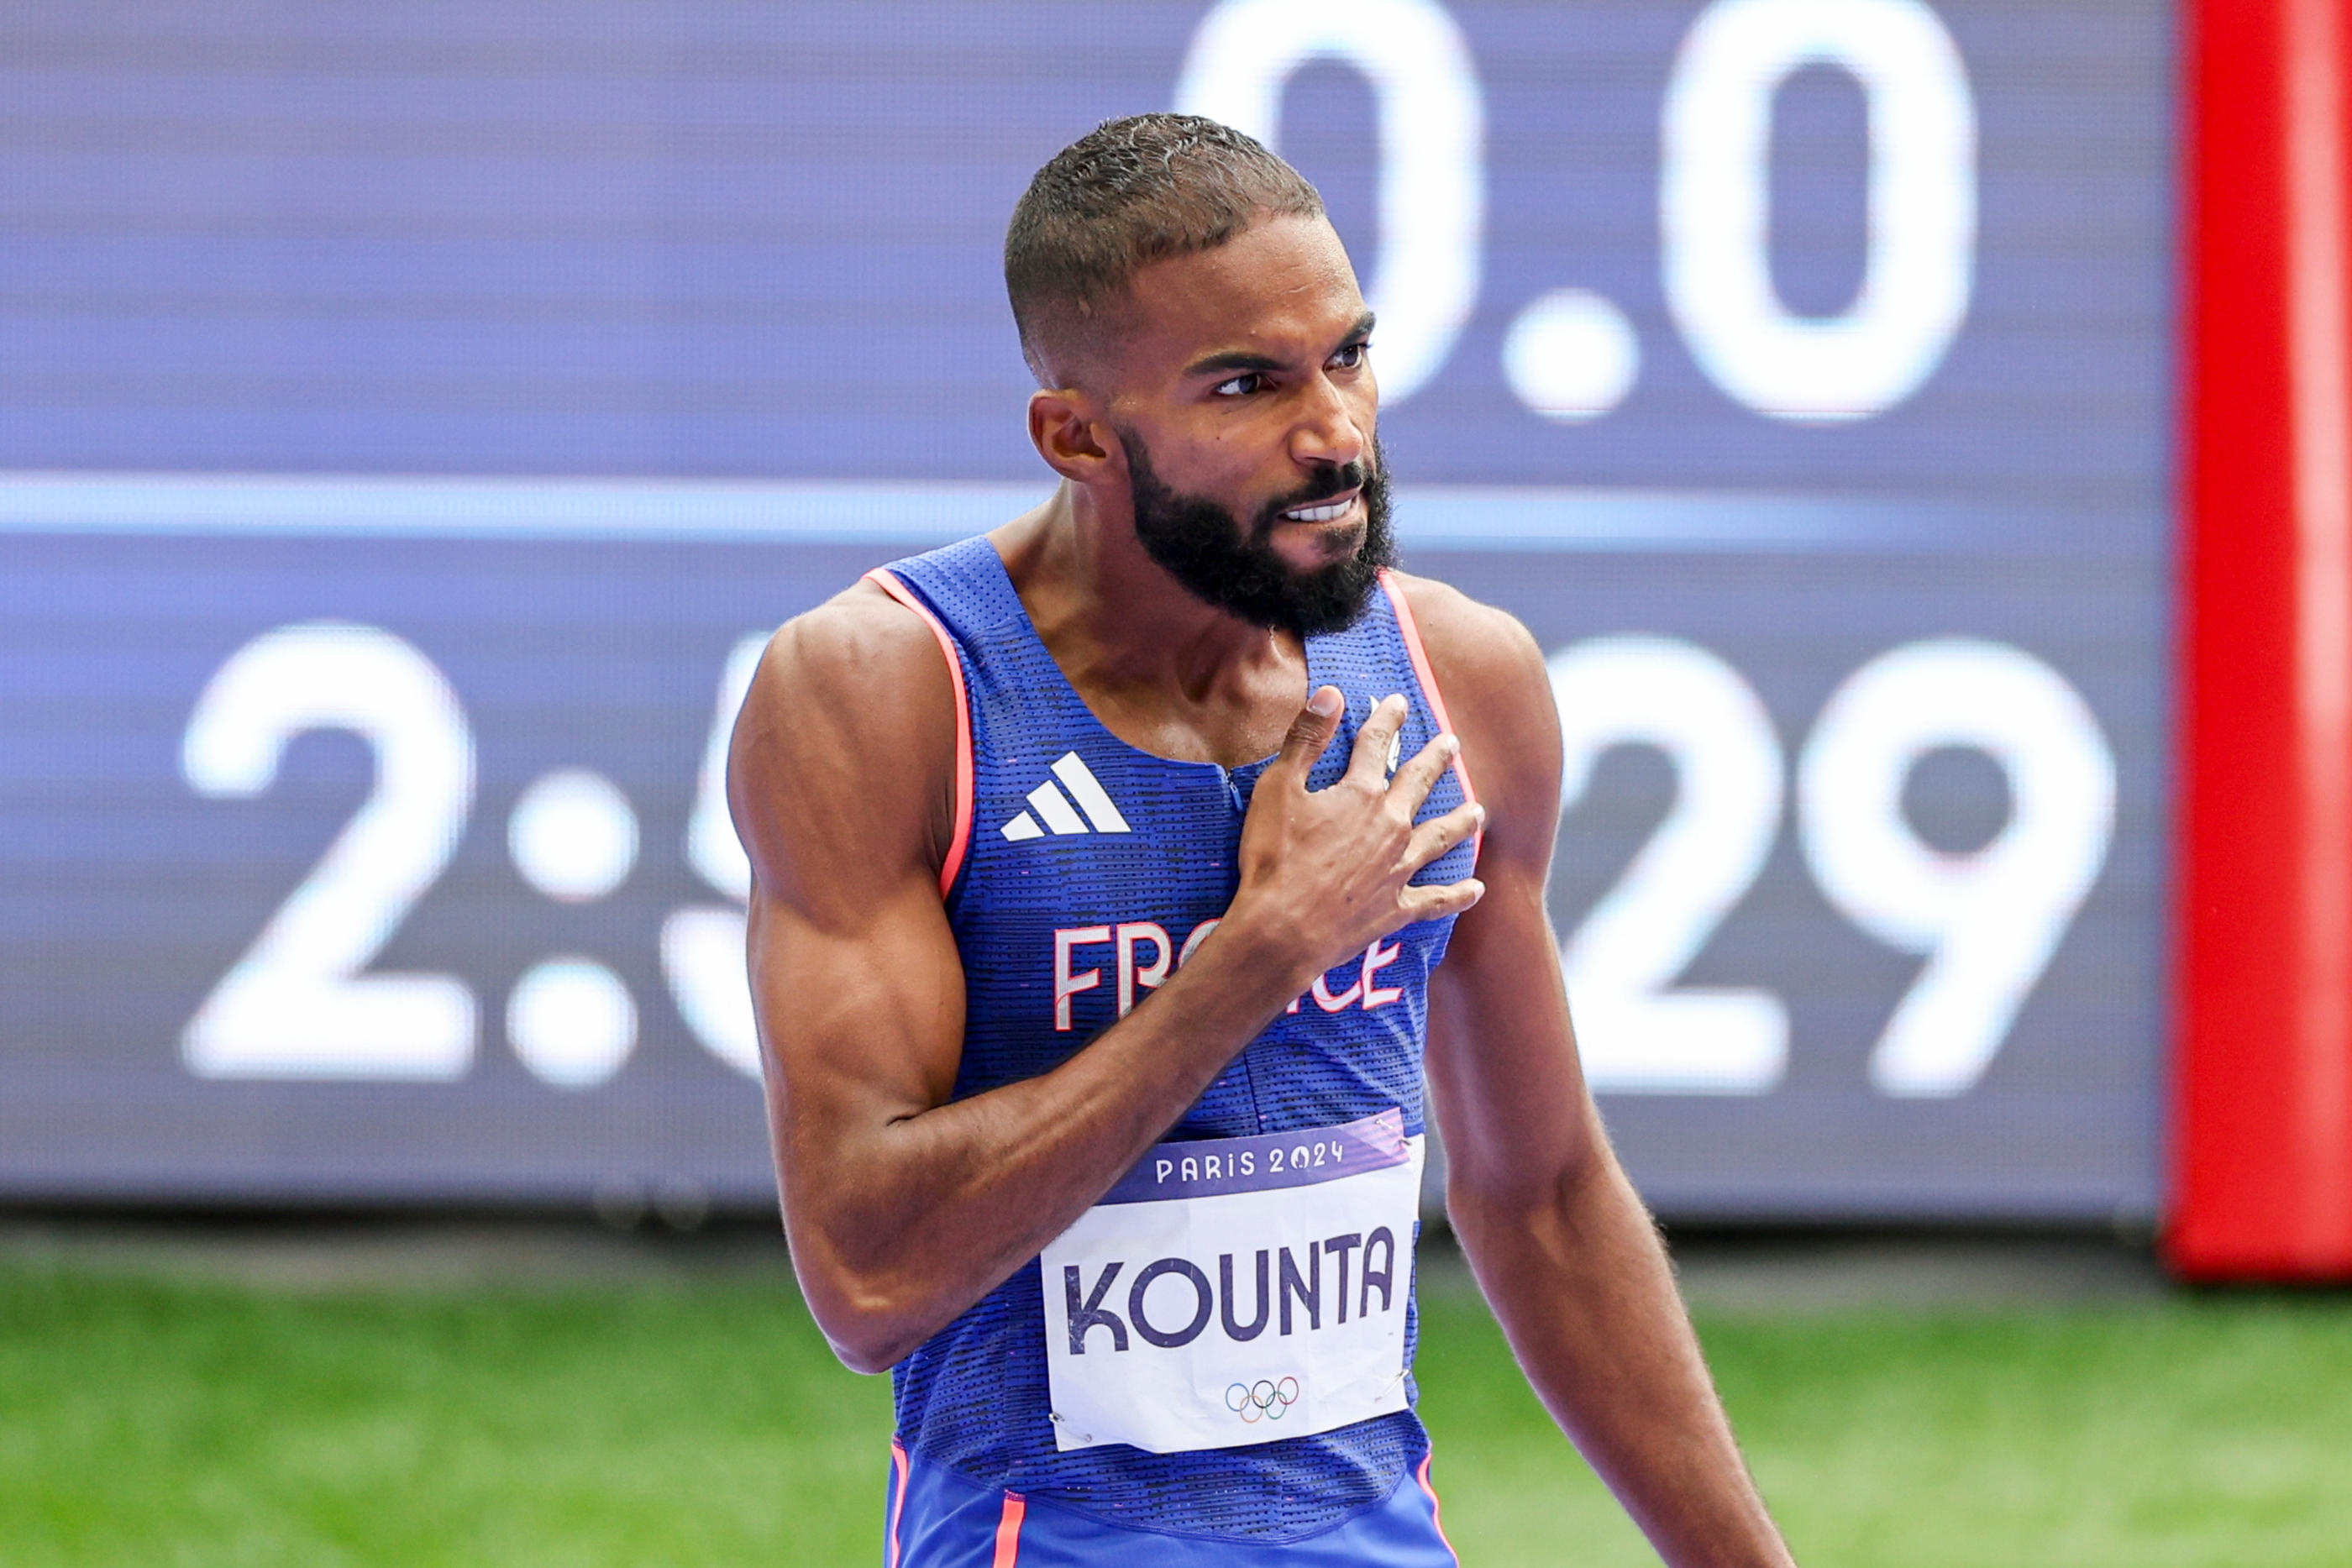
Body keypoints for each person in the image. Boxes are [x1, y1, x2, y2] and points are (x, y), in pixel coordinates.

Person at [730, 113, 1796, 1567]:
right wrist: (1266, 951)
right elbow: (866, 1275)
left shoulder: (1456, 684)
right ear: (1078, 434)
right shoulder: (885, 693)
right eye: (1247, 385)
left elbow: (1540, 1198)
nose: (1336, 433)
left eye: (1348, 356)